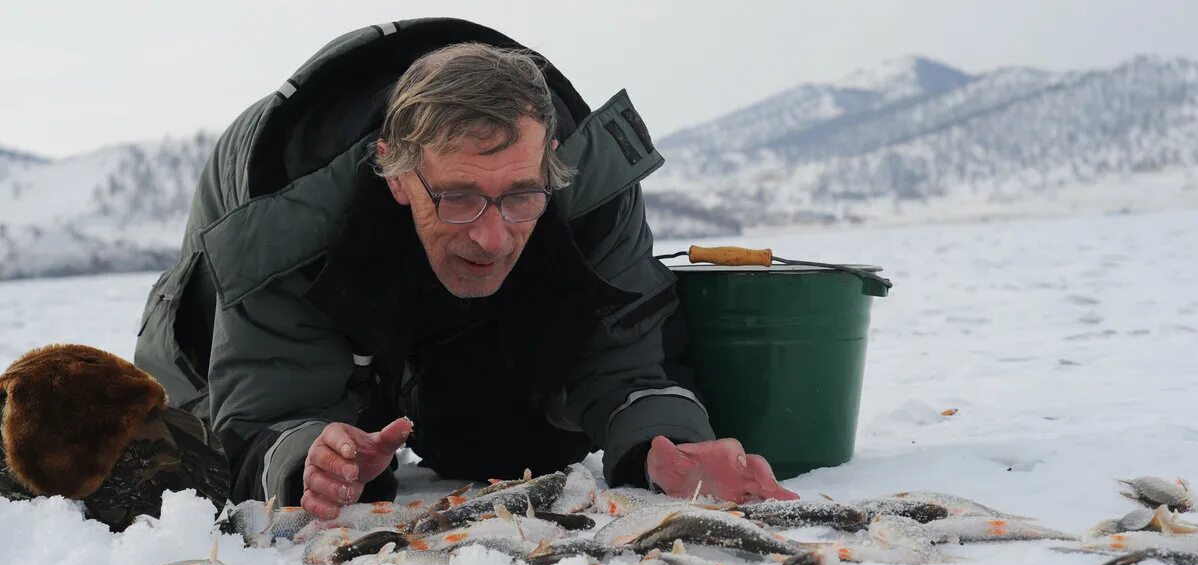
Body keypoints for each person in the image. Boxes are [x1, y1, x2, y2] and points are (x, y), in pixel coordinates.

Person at [134, 19, 797, 519]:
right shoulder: (284, 219)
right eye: (457, 198)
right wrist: (311, 454)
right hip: (209, 341)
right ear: (396, 171)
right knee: (173, 466)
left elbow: (623, 360)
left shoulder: (589, 184)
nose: (490, 234)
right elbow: (260, 409)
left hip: (446, 317)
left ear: (552, 162)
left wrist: (662, 445)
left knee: (510, 443)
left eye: (520, 196)